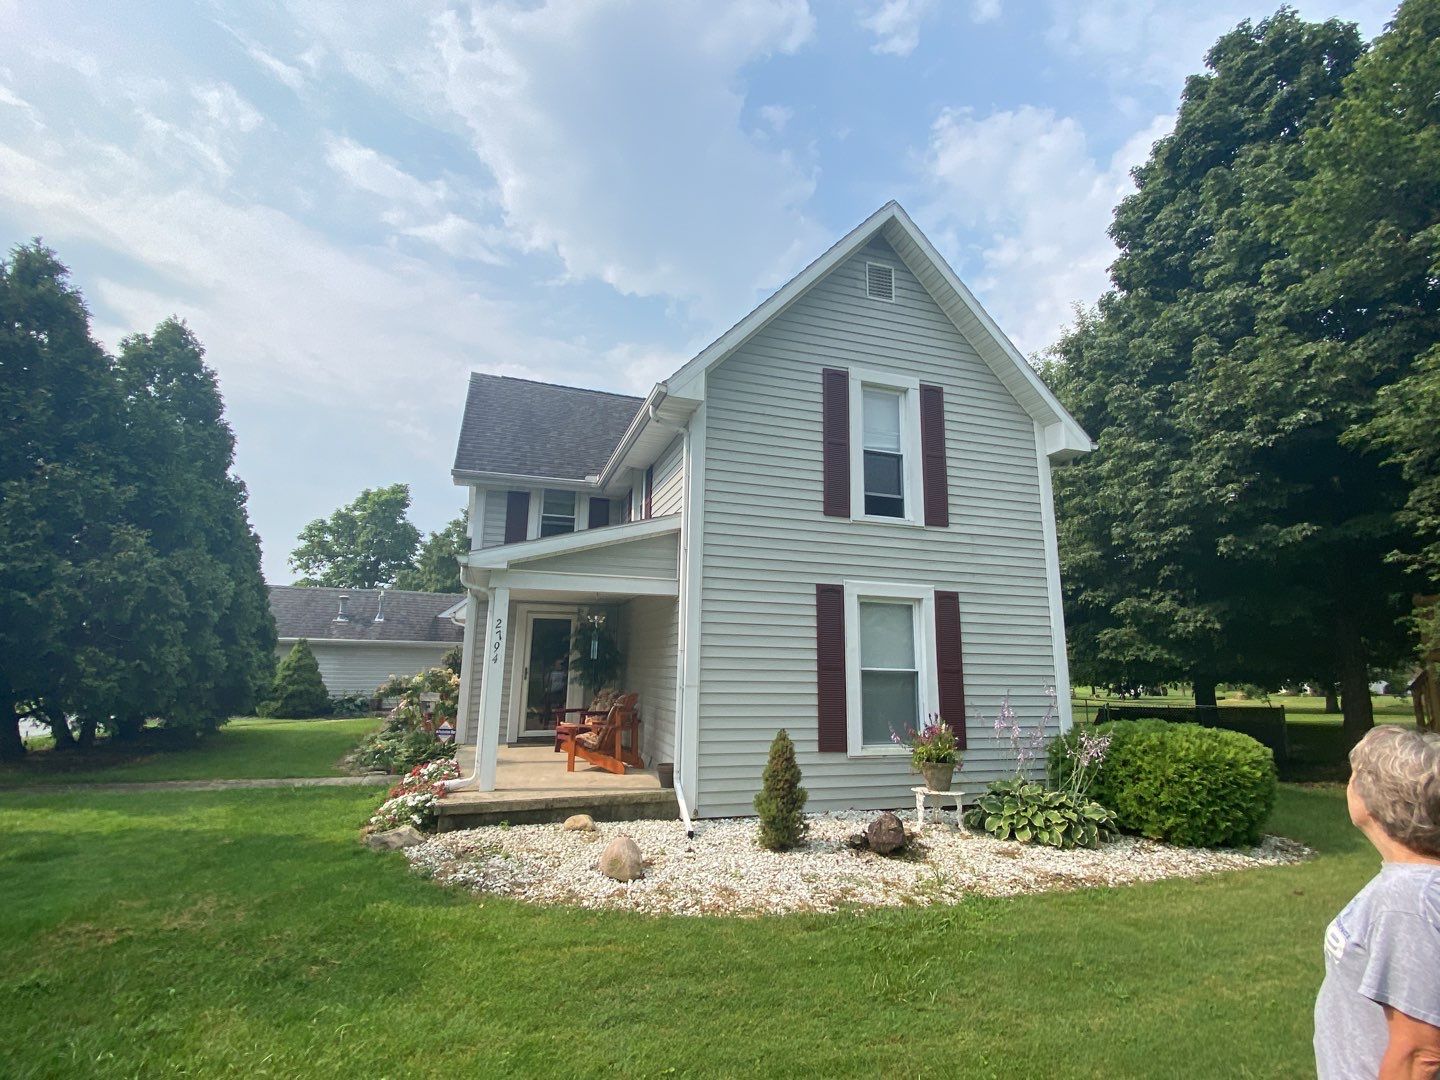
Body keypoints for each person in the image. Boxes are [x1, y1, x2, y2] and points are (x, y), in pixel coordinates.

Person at [1315, 725, 1440, 1079]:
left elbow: (1422, 1055)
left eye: (1353, 776)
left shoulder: (1407, 900)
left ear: (1371, 799)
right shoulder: (1413, 879)